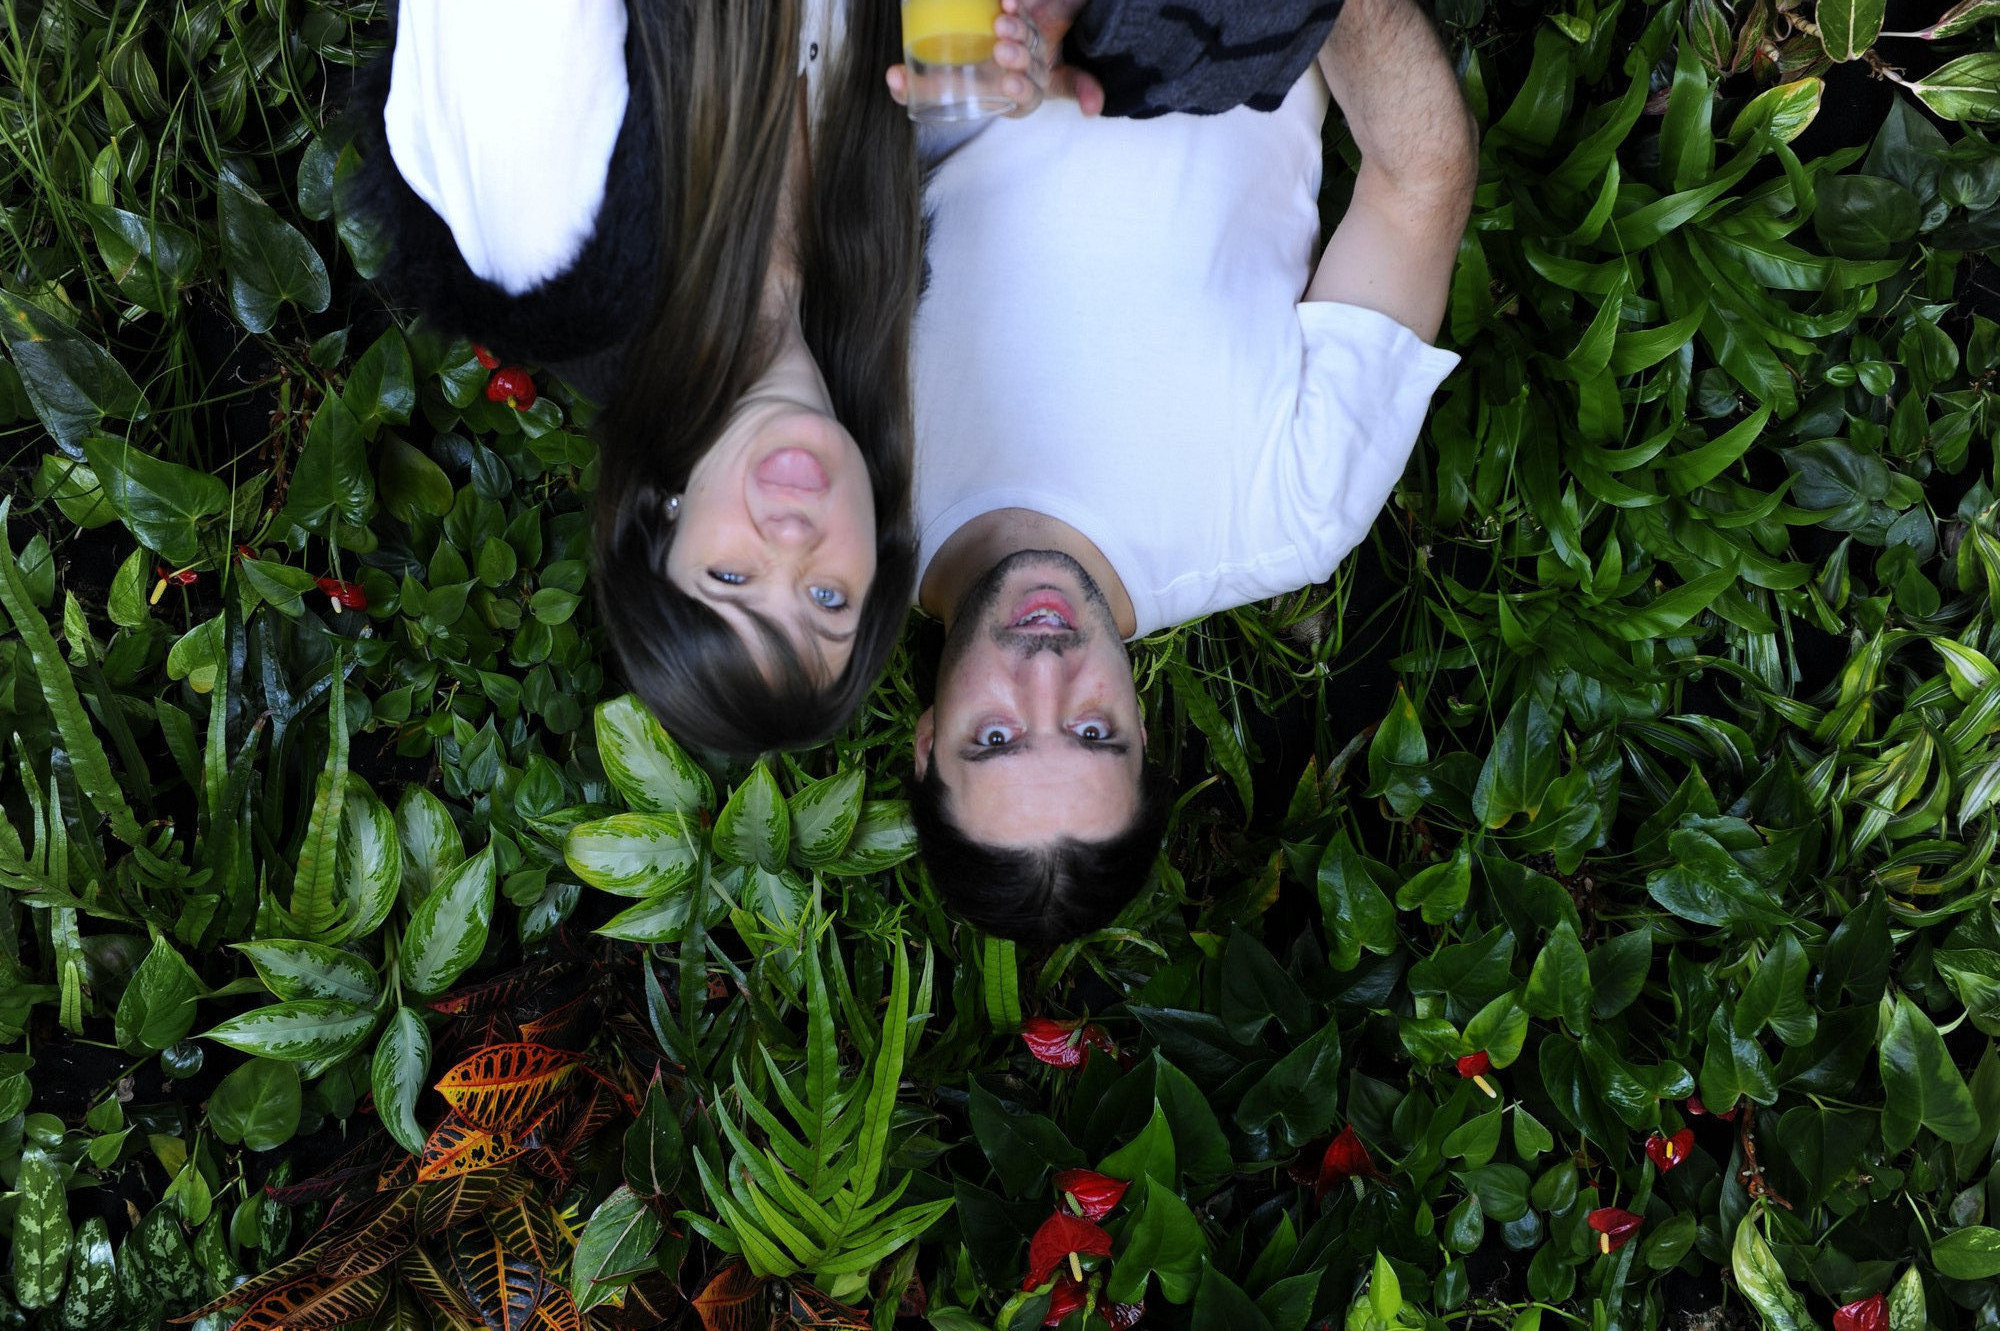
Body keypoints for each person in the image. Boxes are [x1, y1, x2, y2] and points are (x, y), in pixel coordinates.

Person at [903, 0, 1479, 948]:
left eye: (997, 737)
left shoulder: (841, 499)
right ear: (1144, 734)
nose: (1045, 672)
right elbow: (1418, 182)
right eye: (1093, 732)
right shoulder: (1287, 515)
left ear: (929, 741)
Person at [349, 0, 938, 755]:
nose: (791, 542)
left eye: (731, 578)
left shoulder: (556, 245)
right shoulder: (875, 252)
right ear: (878, 559)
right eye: (827, 597)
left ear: (666, 520)